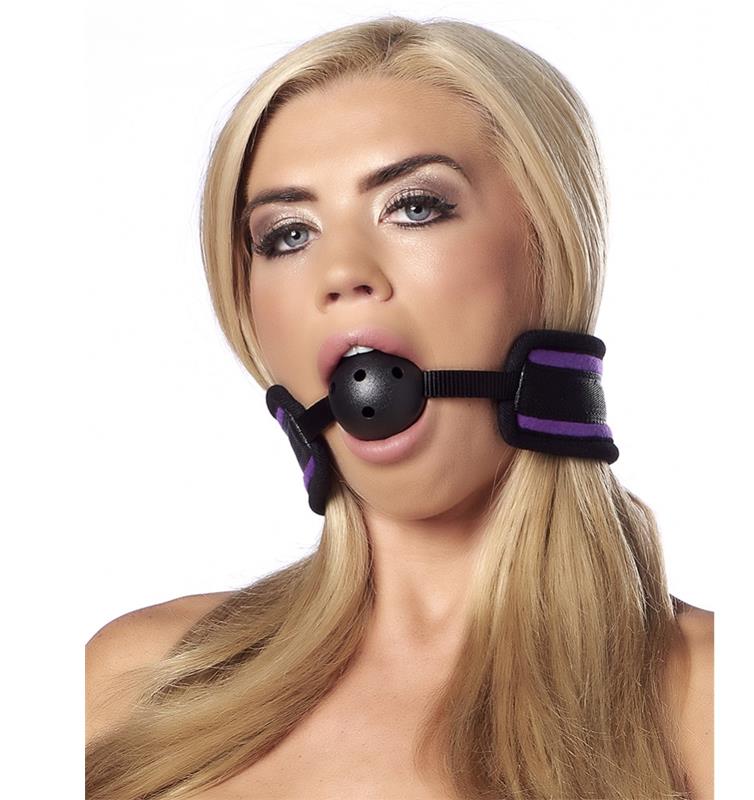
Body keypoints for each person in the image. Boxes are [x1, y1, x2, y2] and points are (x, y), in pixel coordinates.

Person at [85, 15, 713, 800]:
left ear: (551, 250)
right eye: (288, 235)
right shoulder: (132, 685)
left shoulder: (715, 702)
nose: (340, 272)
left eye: (414, 206)